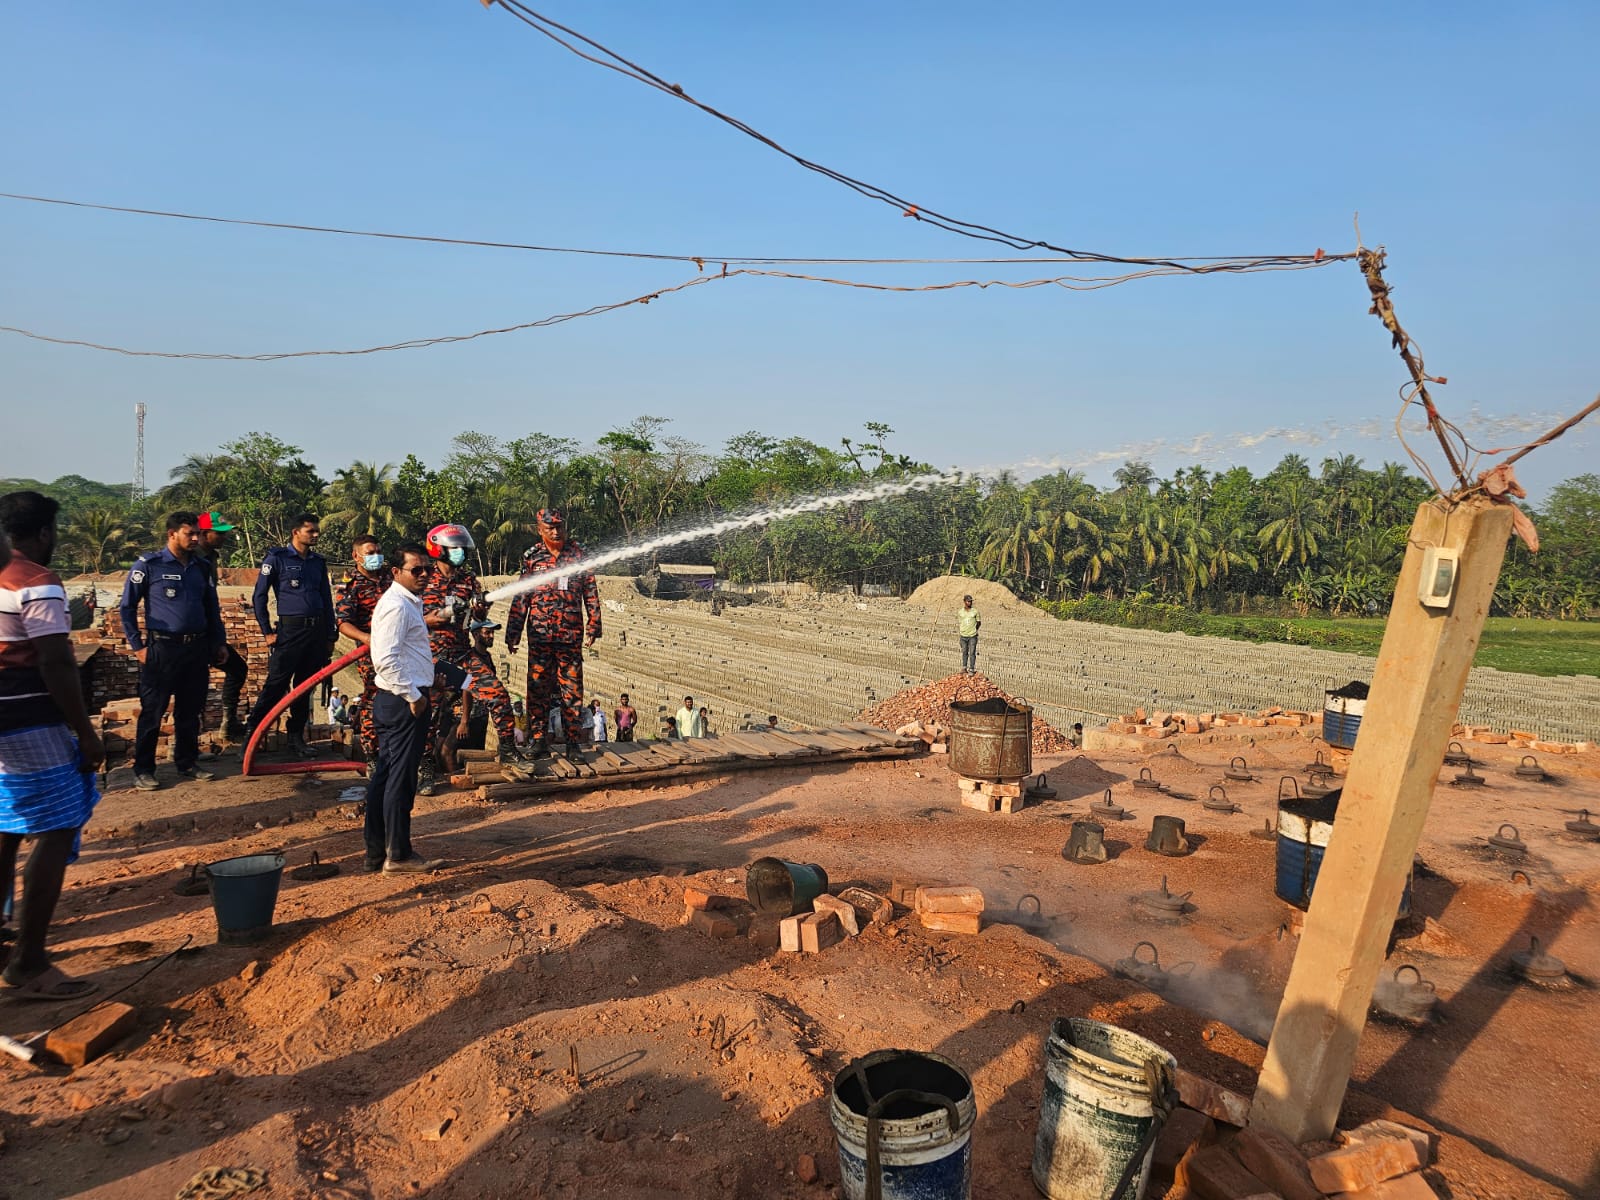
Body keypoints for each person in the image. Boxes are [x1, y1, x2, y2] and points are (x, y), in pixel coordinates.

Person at [0, 492, 106, 998]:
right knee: (57, 827)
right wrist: (84, 732)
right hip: (26, 721)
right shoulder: (35, 581)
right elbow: (55, 660)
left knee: (5, 828)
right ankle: (29, 961)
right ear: (44, 533)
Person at [120, 512, 227, 790]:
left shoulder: (201, 567)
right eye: (189, 534)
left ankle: (187, 762)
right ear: (172, 534)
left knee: (189, 710)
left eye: (197, 533)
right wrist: (138, 646)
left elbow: (212, 608)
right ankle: (144, 769)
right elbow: (127, 607)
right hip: (162, 648)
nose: (195, 539)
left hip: (196, 648)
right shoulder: (149, 565)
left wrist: (218, 642)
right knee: (153, 711)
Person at [418, 523, 524, 794]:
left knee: (498, 695)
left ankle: (508, 750)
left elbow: (477, 618)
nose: (460, 553)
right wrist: (436, 617)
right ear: (438, 549)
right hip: (430, 657)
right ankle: (424, 768)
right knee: (429, 715)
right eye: (455, 548)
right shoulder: (422, 578)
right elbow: (410, 617)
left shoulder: (468, 580)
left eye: (462, 548)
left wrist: (480, 608)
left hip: (460, 654)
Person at [364, 544, 444, 874]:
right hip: (403, 703)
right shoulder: (397, 606)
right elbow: (384, 660)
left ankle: (376, 852)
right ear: (396, 572)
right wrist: (414, 695)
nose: (424, 575)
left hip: (400, 699)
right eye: (416, 570)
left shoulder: (408, 602)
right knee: (400, 779)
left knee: (385, 776)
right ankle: (398, 855)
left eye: (428, 569)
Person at [504, 508, 601, 763]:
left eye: (560, 526)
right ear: (540, 530)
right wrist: (513, 631)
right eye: (550, 528)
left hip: (570, 636)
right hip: (540, 637)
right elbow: (522, 595)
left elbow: (590, 591)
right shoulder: (532, 558)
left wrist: (594, 625)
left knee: (572, 691)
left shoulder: (578, 555)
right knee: (538, 689)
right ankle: (538, 741)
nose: (556, 532)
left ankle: (573, 744)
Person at [244, 513, 335, 756]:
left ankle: (296, 737)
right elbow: (259, 596)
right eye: (310, 531)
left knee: (304, 687)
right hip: (290, 631)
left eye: (316, 530)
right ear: (296, 532)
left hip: (316, 631)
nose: (315, 534)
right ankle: (252, 735)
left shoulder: (317, 562)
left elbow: (326, 600)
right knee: (276, 684)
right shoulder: (277, 558)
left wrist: (329, 635)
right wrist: (266, 632)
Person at [334, 533, 391, 762]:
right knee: (374, 698)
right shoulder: (351, 585)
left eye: (378, 552)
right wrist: (367, 638)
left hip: (399, 647)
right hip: (371, 653)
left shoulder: (391, 577)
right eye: (370, 553)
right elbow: (343, 623)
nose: (376, 556)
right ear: (356, 556)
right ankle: (372, 754)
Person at [194, 511, 248, 738]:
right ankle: (187, 740)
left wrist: (218, 638)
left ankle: (228, 722)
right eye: (219, 533)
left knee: (237, 669)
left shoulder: (211, 557)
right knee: (193, 685)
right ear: (204, 533)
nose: (224, 537)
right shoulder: (192, 558)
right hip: (192, 632)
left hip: (208, 630)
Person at [957, 594, 981, 675]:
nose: (970, 603)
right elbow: (960, 622)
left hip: (972, 636)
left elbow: (978, 622)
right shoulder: (960, 612)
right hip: (963, 636)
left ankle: (971, 669)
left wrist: (974, 630)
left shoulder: (975, 611)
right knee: (964, 652)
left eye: (970, 601)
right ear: (964, 602)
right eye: (968, 601)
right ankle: (964, 667)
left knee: (972, 652)